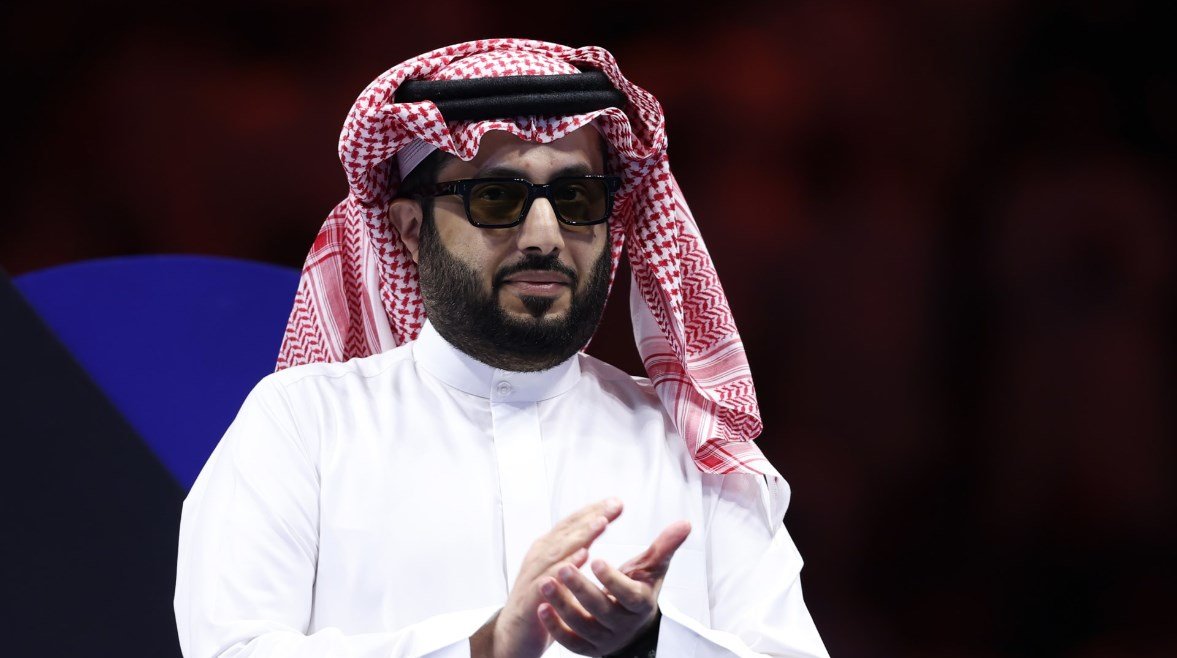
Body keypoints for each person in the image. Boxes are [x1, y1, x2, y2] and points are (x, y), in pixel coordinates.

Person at [174, 39, 829, 658]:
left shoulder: (687, 444)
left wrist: (649, 644)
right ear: (410, 229)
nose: (545, 234)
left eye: (575, 197)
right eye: (496, 197)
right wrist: (482, 647)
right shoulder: (305, 425)